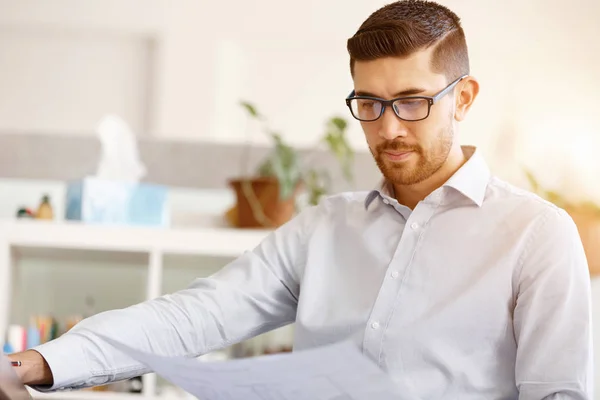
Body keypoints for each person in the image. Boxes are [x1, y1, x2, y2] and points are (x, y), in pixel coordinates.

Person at [8, 0, 593, 398]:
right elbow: (197, 315)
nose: (388, 128)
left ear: (462, 98)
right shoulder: (324, 229)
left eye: (412, 101)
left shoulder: (536, 235)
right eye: (369, 103)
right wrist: (41, 361)